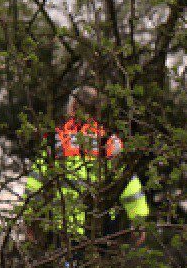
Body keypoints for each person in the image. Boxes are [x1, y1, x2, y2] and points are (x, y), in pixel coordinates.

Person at [22, 86, 149, 248]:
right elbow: (130, 186)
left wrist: (30, 217)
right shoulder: (110, 142)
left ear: (72, 107)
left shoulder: (56, 141)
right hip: (102, 229)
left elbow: (35, 183)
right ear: (98, 109)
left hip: (63, 230)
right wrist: (139, 220)